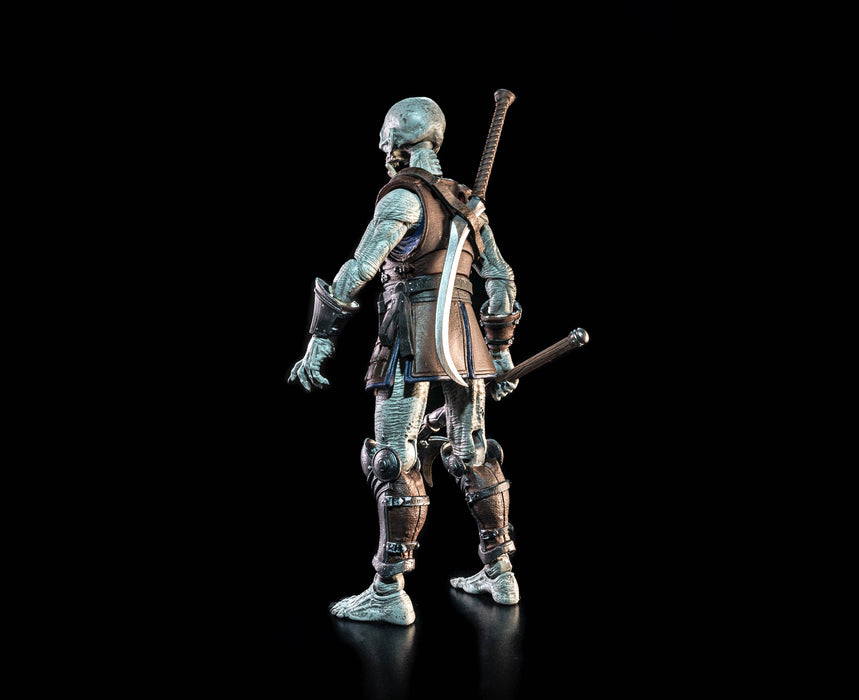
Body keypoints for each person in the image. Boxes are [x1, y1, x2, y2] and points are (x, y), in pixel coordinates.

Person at [289, 96, 522, 625]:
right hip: (466, 342)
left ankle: (388, 589)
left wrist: (319, 341)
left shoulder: (403, 196)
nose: (381, 146)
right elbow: (500, 279)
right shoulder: (467, 203)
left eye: (385, 136)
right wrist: (499, 350)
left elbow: (359, 268)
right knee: (472, 451)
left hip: (410, 338)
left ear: (398, 141)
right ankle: (501, 571)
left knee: (394, 457)